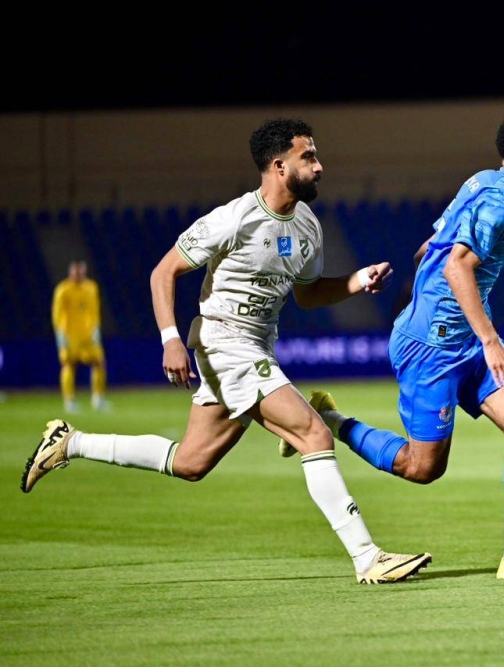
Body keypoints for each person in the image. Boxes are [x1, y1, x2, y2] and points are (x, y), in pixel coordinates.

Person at [21, 118, 431, 585]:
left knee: (191, 462)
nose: (319, 166)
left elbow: (308, 293)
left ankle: (70, 442)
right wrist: (170, 338)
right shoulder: (234, 218)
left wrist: (357, 280)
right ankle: (367, 558)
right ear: (279, 166)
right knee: (313, 435)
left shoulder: (308, 225)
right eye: (308, 157)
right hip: (224, 344)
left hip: (256, 347)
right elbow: (163, 273)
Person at [279, 109, 504, 579]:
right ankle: (331, 420)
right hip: (431, 348)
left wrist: (432, 301)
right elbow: (455, 266)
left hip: (462, 340)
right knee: (422, 468)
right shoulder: (500, 202)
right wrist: (489, 340)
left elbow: (429, 248)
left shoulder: (481, 182)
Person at [51, 260, 109, 412]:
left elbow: (95, 310)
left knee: (99, 363)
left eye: (80, 271)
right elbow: (57, 314)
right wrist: (60, 335)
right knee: (68, 365)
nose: (78, 274)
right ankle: (69, 400)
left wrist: (96, 329)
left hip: (88, 336)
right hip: (70, 336)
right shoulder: (63, 290)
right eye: (75, 271)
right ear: (70, 272)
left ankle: (98, 399)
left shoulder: (91, 287)